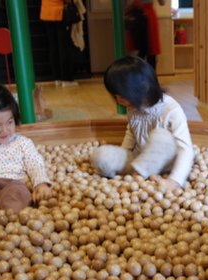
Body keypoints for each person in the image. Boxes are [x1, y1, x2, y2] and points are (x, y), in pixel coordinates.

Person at [91, 56, 194, 191]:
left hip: (166, 162)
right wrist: (124, 152)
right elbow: (132, 132)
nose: (118, 100)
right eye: (115, 95)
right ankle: (139, 174)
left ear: (141, 89)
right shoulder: (133, 108)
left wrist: (174, 180)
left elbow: (185, 149)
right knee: (101, 155)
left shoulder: (171, 109)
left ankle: (139, 175)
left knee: (161, 137)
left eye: (121, 95)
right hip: (139, 159)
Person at [0, 83, 52, 212]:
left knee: (16, 197)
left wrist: (41, 183)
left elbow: (35, 164)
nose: (5, 130)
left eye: (10, 122)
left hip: (13, 183)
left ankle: (9, 215)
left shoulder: (22, 143)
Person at [40, 0, 79, 86]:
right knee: (64, 46)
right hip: (60, 12)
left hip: (46, 12)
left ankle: (57, 78)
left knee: (54, 46)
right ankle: (67, 79)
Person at [124, 0, 166, 71]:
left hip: (136, 17)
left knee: (140, 52)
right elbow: (162, 3)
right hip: (146, 18)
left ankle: (139, 78)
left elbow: (125, 5)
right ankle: (149, 78)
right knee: (150, 52)